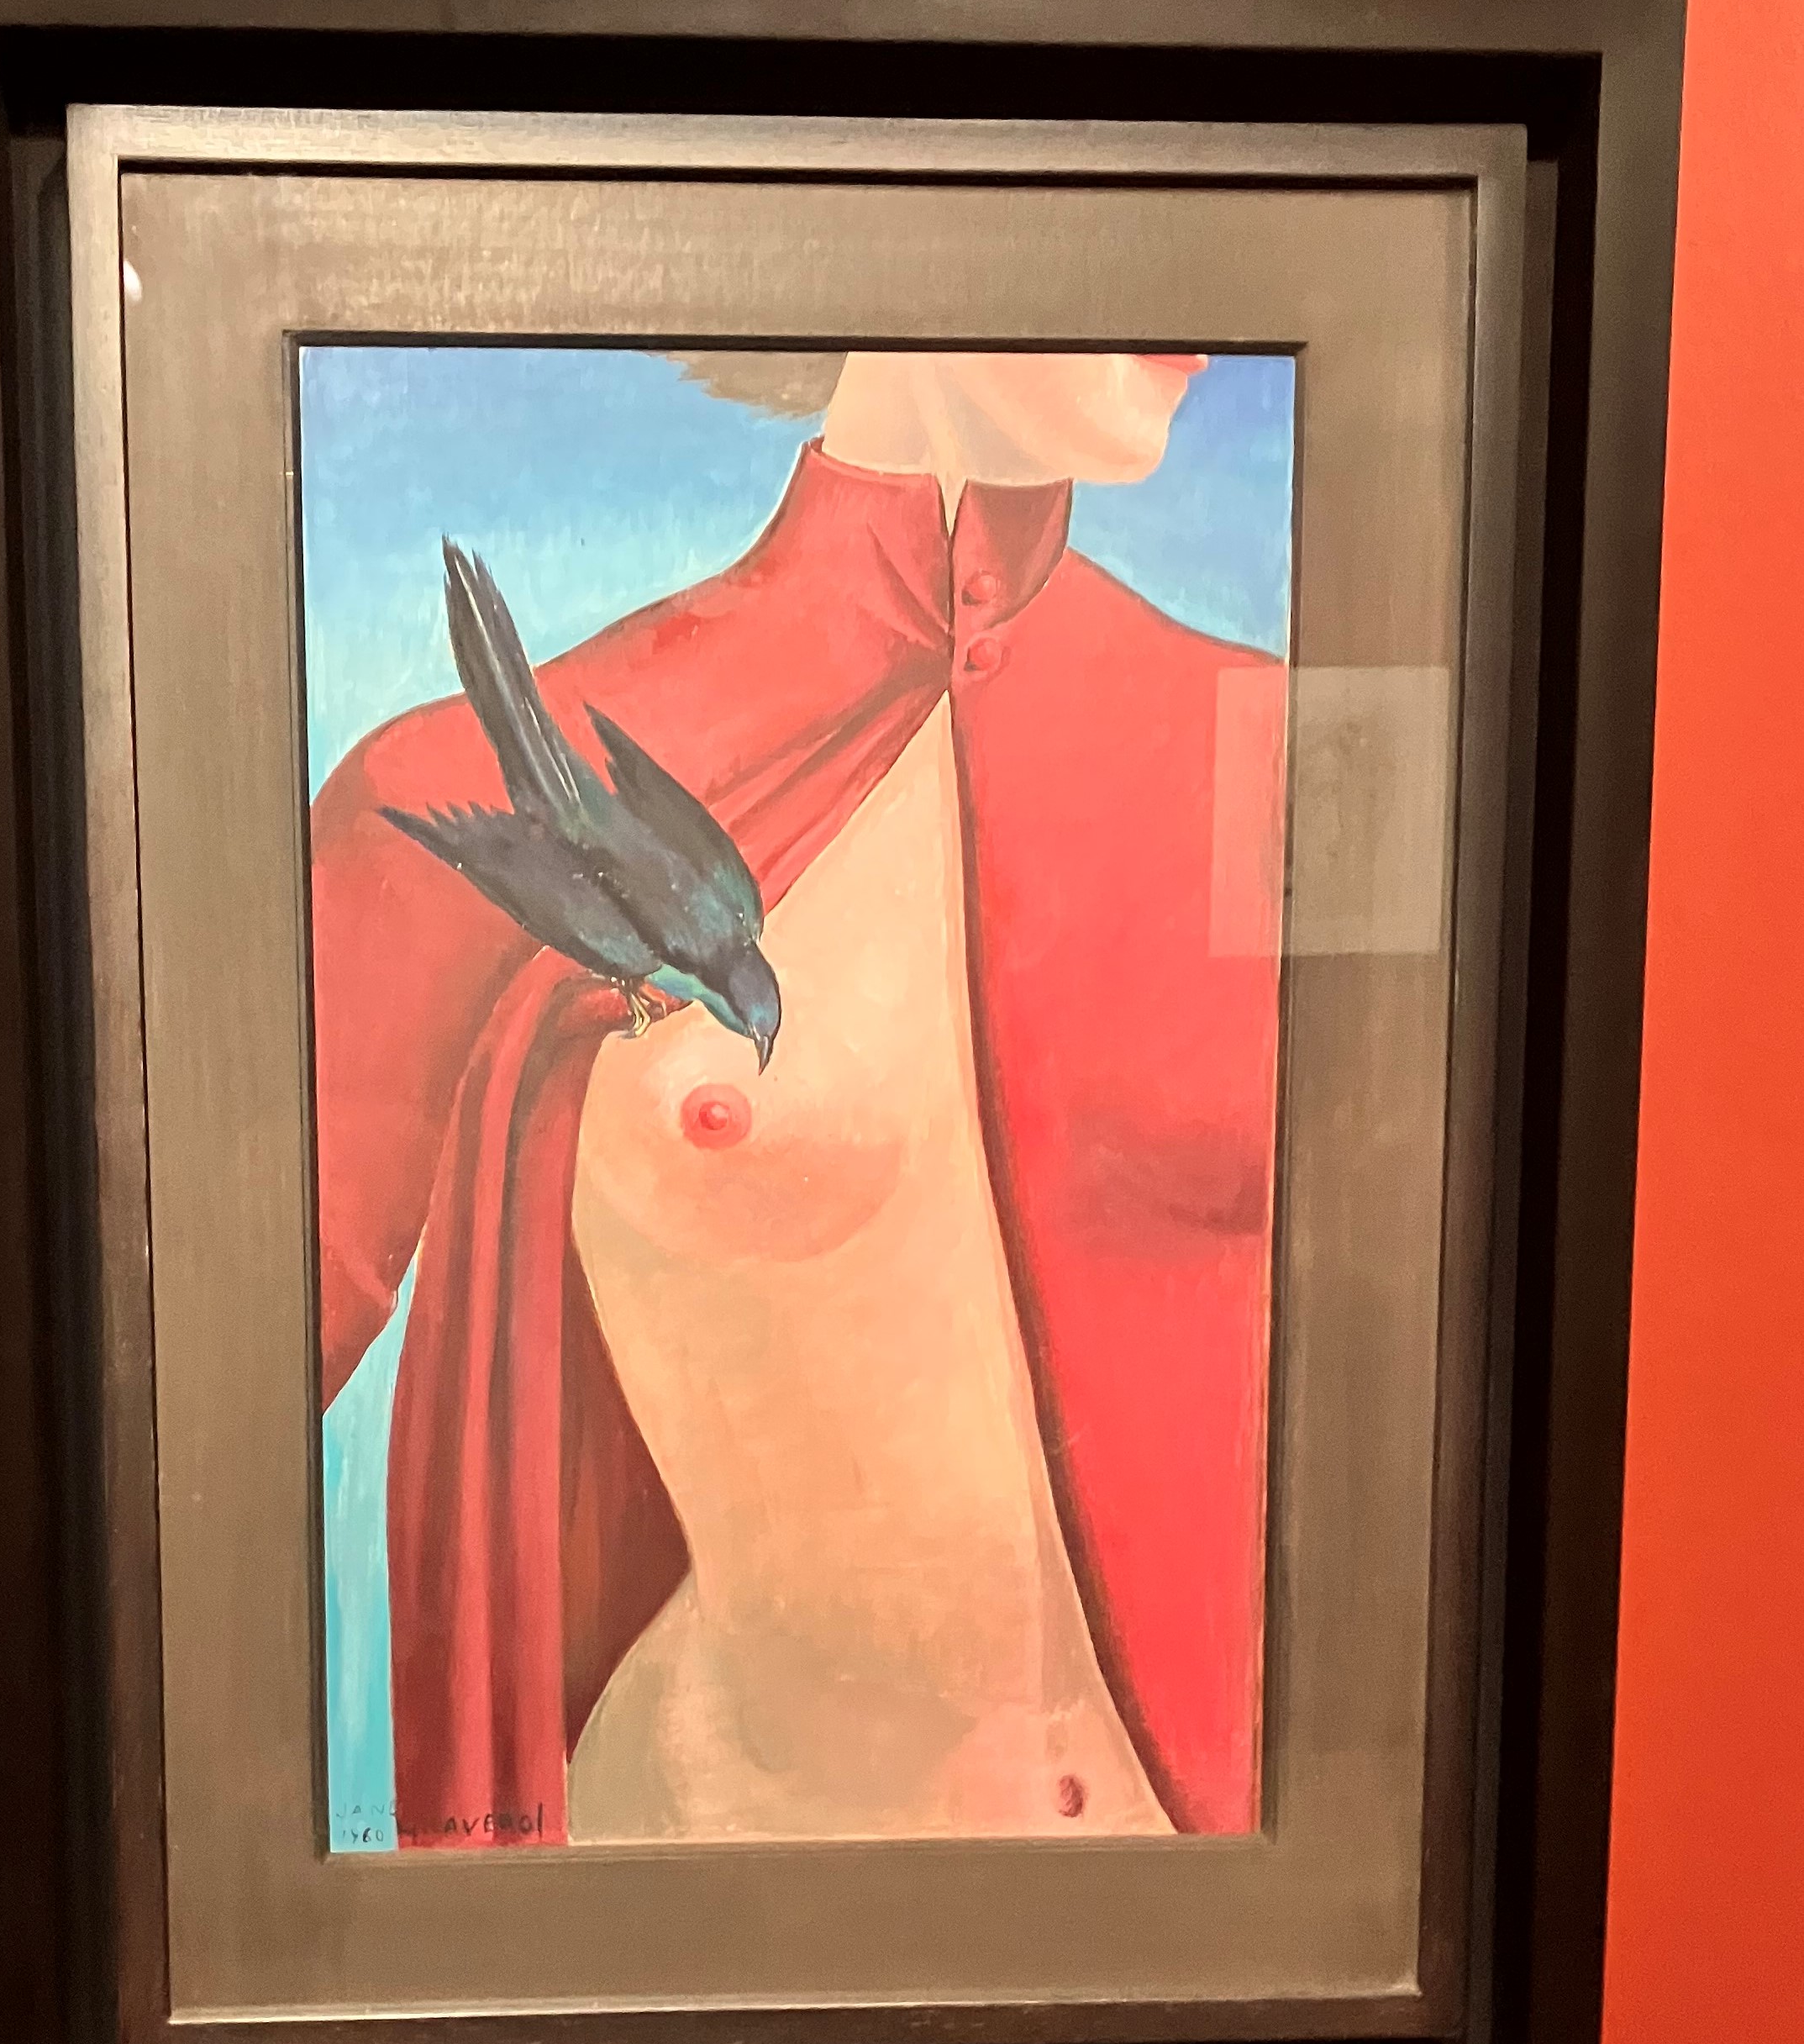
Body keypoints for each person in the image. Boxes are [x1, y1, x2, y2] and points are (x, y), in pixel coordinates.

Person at [308, 350, 1286, 1848]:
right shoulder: (463, 792)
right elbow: (173, 1413)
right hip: (706, 1914)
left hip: (1217, 1915)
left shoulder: (1272, 752)